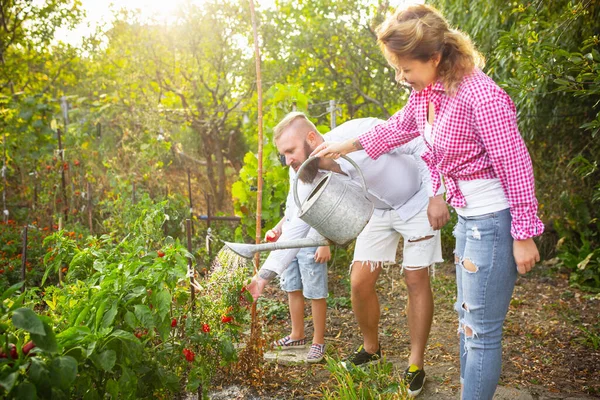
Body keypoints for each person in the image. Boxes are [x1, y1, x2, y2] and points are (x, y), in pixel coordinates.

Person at [311, 4, 544, 400]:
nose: (401, 77)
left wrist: (524, 232)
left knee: (482, 331)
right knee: (466, 322)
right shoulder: (429, 94)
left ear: (435, 57)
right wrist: (346, 145)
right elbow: (399, 129)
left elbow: (515, 165)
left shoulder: (481, 96)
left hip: (493, 219)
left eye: (406, 68)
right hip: (469, 222)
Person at [249, 112, 447, 397]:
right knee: (359, 282)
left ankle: (415, 364)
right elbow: (296, 229)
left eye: (290, 151)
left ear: (312, 139)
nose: (288, 160)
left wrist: (435, 194)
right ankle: (371, 349)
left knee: (415, 279)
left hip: (417, 200)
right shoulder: (306, 174)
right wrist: (263, 277)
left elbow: (419, 144)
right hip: (375, 211)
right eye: (283, 155)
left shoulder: (362, 131)